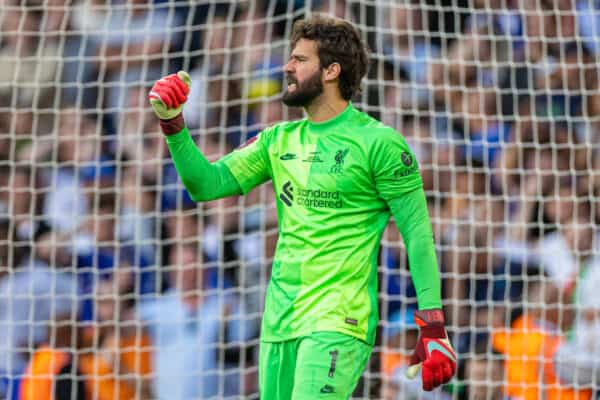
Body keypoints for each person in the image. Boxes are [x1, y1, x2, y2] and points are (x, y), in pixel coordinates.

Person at [148, 15, 456, 398]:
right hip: (278, 322)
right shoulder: (278, 140)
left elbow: (418, 234)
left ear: (331, 70)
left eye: (299, 59)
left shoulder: (380, 144)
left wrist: (432, 324)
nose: (287, 67)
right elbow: (206, 185)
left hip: (338, 321)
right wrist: (173, 124)